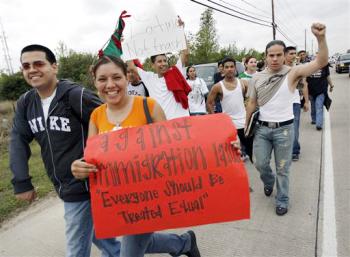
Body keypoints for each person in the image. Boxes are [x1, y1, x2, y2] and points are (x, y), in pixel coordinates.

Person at [71, 55, 201, 257]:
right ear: (95, 82)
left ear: (126, 77)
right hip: (116, 201)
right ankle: (184, 243)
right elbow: (91, 158)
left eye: (116, 77)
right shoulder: (96, 116)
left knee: (129, 253)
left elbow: (176, 150)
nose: (110, 85)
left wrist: (223, 146)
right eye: (102, 79)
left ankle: (183, 243)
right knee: (141, 244)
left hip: (148, 199)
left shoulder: (149, 106)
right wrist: (79, 167)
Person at [9, 44, 121, 257]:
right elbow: (17, 139)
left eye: (39, 63)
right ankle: (180, 243)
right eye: (26, 66)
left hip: (84, 184)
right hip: (60, 183)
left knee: (76, 249)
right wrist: (21, 181)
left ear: (54, 66)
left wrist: (91, 159)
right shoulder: (26, 102)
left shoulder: (75, 95)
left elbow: (110, 125)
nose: (32, 69)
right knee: (105, 239)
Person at [245, 23, 329, 216]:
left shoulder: (292, 73)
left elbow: (321, 61)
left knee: (283, 168)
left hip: (284, 130)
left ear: (284, 56)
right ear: (265, 56)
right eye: (271, 55)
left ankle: (282, 199)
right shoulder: (256, 77)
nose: (274, 58)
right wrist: (244, 127)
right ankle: (268, 181)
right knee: (260, 163)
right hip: (262, 130)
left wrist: (321, 38)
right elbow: (251, 102)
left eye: (278, 55)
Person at [127, 18, 190, 120]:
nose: (164, 64)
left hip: (182, 122)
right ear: (153, 65)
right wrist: (125, 45)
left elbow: (185, 54)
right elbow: (131, 66)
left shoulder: (176, 71)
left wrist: (181, 30)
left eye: (165, 61)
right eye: (160, 61)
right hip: (162, 126)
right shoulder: (149, 78)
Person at [207, 57, 253, 162]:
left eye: (232, 67)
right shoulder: (218, 86)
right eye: (226, 67)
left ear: (235, 68)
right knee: (233, 157)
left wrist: (250, 113)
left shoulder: (243, 83)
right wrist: (215, 118)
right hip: (229, 125)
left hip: (244, 123)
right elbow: (209, 103)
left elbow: (252, 100)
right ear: (222, 69)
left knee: (252, 154)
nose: (229, 69)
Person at [284, 46, 309, 161]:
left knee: (294, 127)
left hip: (294, 103)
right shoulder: (279, 69)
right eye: (291, 53)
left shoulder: (299, 69)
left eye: (295, 53)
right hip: (281, 104)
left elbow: (303, 85)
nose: (294, 55)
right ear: (285, 55)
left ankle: (294, 151)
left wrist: (306, 101)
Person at [306, 56, 334, 130]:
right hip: (311, 90)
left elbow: (328, 76)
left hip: (321, 90)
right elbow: (304, 79)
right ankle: (314, 119)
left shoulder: (324, 66)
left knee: (319, 106)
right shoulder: (308, 67)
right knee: (313, 106)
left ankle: (319, 124)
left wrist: (331, 85)